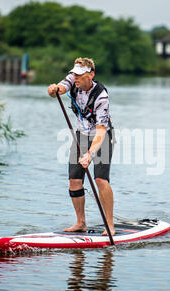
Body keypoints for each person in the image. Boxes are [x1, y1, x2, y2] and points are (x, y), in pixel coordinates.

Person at [47, 57, 115, 236]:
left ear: (91, 75)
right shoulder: (73, 81)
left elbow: (101, 131)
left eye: (79, 75)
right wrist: (54, 89)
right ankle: (81, 223)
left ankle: (109, 224)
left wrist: (90, 154)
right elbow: (59, 90)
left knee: (100, 180)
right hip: (81, 135)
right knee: (74, 181)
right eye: (74, 74)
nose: (75, 78)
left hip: (102, 136)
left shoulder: (101, 96)